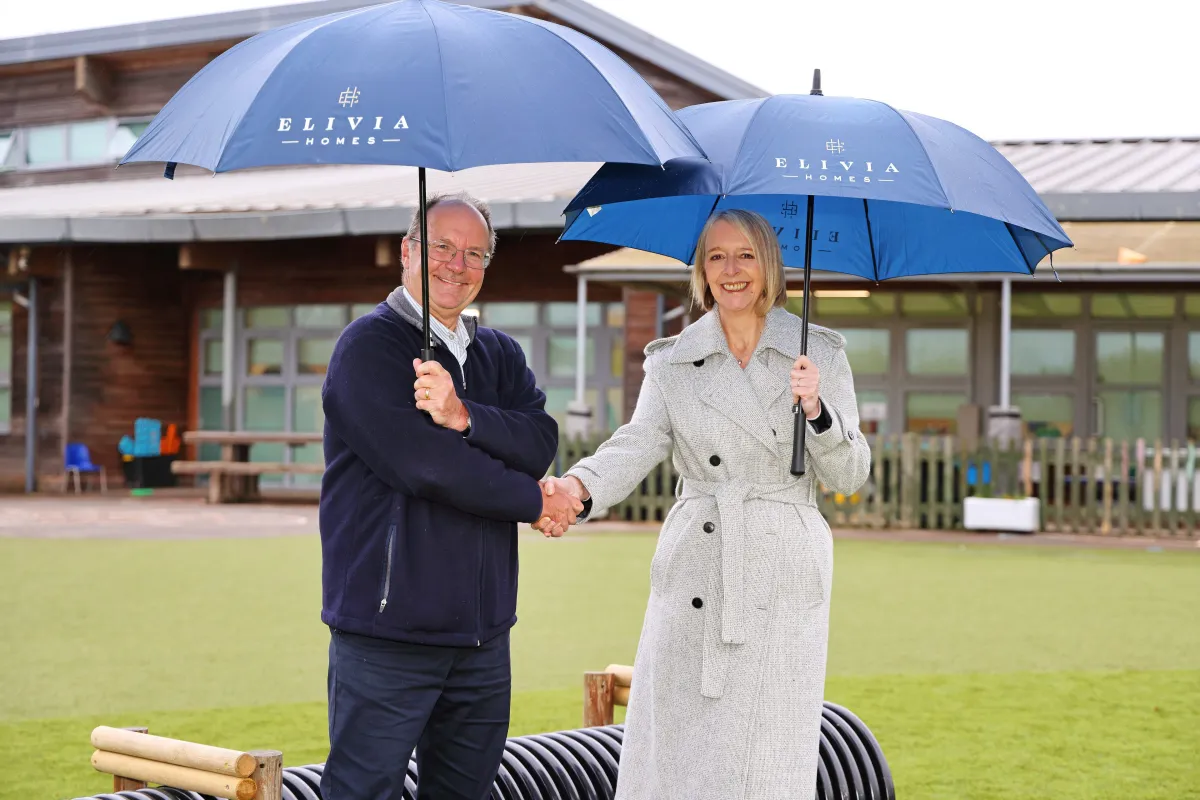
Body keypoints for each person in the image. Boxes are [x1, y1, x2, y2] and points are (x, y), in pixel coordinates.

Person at [539, 208, 871, 798]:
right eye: (715, 256)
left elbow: (850, 474)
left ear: (769, 264)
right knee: (677, 744)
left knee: (766, 754)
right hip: (696, 564)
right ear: (700, 270)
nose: (731, 270)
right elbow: (637, 443)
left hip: (782, 573)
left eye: (745, 255)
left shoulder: (817, 352)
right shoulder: (673, 361)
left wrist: (817, 410)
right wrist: (577, 488)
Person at [318, 192, 582, 800]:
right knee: (361, 792)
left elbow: (539, 440)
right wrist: (535, 501)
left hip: (483, 637)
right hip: (388, 635)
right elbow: (426, 468)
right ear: (408, 251)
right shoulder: (369, 348)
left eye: (474, 253)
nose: (455, 265)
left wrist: (466, 416)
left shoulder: (499, 353)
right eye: (441, 246)